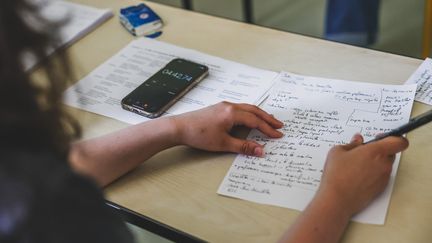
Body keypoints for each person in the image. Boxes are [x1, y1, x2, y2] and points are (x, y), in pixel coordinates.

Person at [0, 0, 408, 243]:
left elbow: (59, 169)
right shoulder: (46, 217)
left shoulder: (26, 181)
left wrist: (173, 128)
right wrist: (336, 199)